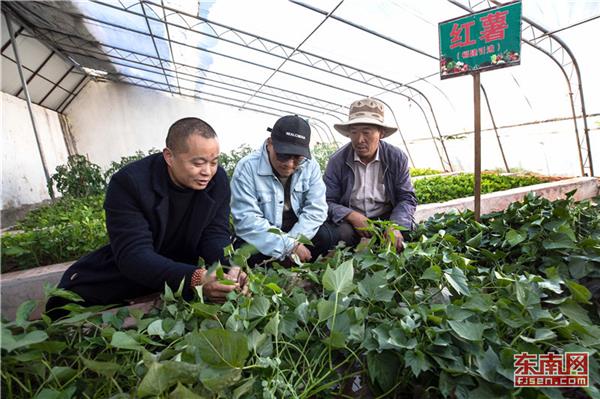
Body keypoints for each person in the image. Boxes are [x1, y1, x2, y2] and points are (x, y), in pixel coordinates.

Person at [46, 117, 246, 318]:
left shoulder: (217, 180)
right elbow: (133, 255)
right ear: (169, 156)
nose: (207, 172)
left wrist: (229, 268)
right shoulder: (130, 183)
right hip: (122, 278)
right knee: (68, 314)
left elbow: (214, 233)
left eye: (214, 162)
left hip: (175, 275)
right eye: (198, 163)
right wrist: (197, 278)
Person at [230, 115, 332, 265]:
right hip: (264, 234)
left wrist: (294, 242)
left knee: (327, 237)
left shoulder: (311, 166)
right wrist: (287, 245)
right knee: (244, 253)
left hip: (297, 231)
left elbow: (316, 210)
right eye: (283, 155)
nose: (289, 164)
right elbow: (247, 220)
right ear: (270, 143)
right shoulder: (247, 168)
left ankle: (289, 260)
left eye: (297, 158)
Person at [324, 98, 417, 251]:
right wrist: (352, 216)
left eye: (366, 132)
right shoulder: (338, 161)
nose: (359, 139)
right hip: (352, 220)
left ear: (381, 133)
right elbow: (327, 200)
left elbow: (406, 198)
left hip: (386, 218)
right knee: (335, 235)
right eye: (354, 132)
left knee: (405, 234)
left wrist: (394, 225)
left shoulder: (396, 157)